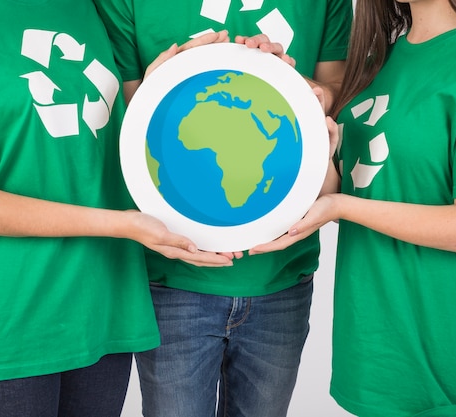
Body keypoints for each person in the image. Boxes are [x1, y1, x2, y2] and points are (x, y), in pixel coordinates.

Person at [0, 1, 236, 416]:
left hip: (104, 311)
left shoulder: (88, 6)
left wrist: (158, 87)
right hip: (14, 318)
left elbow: (106, 143)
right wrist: (122, 225)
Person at [251, 0, 456, 415]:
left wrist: (341, 206)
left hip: (442, 337)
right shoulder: (379, 60)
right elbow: (351, 189)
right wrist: (309, 128)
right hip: (371, 337)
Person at [93, 1, 353, 416]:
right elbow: (130, 116)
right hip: (173, 274)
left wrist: (305, 89)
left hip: (283, 271)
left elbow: (336, 86)